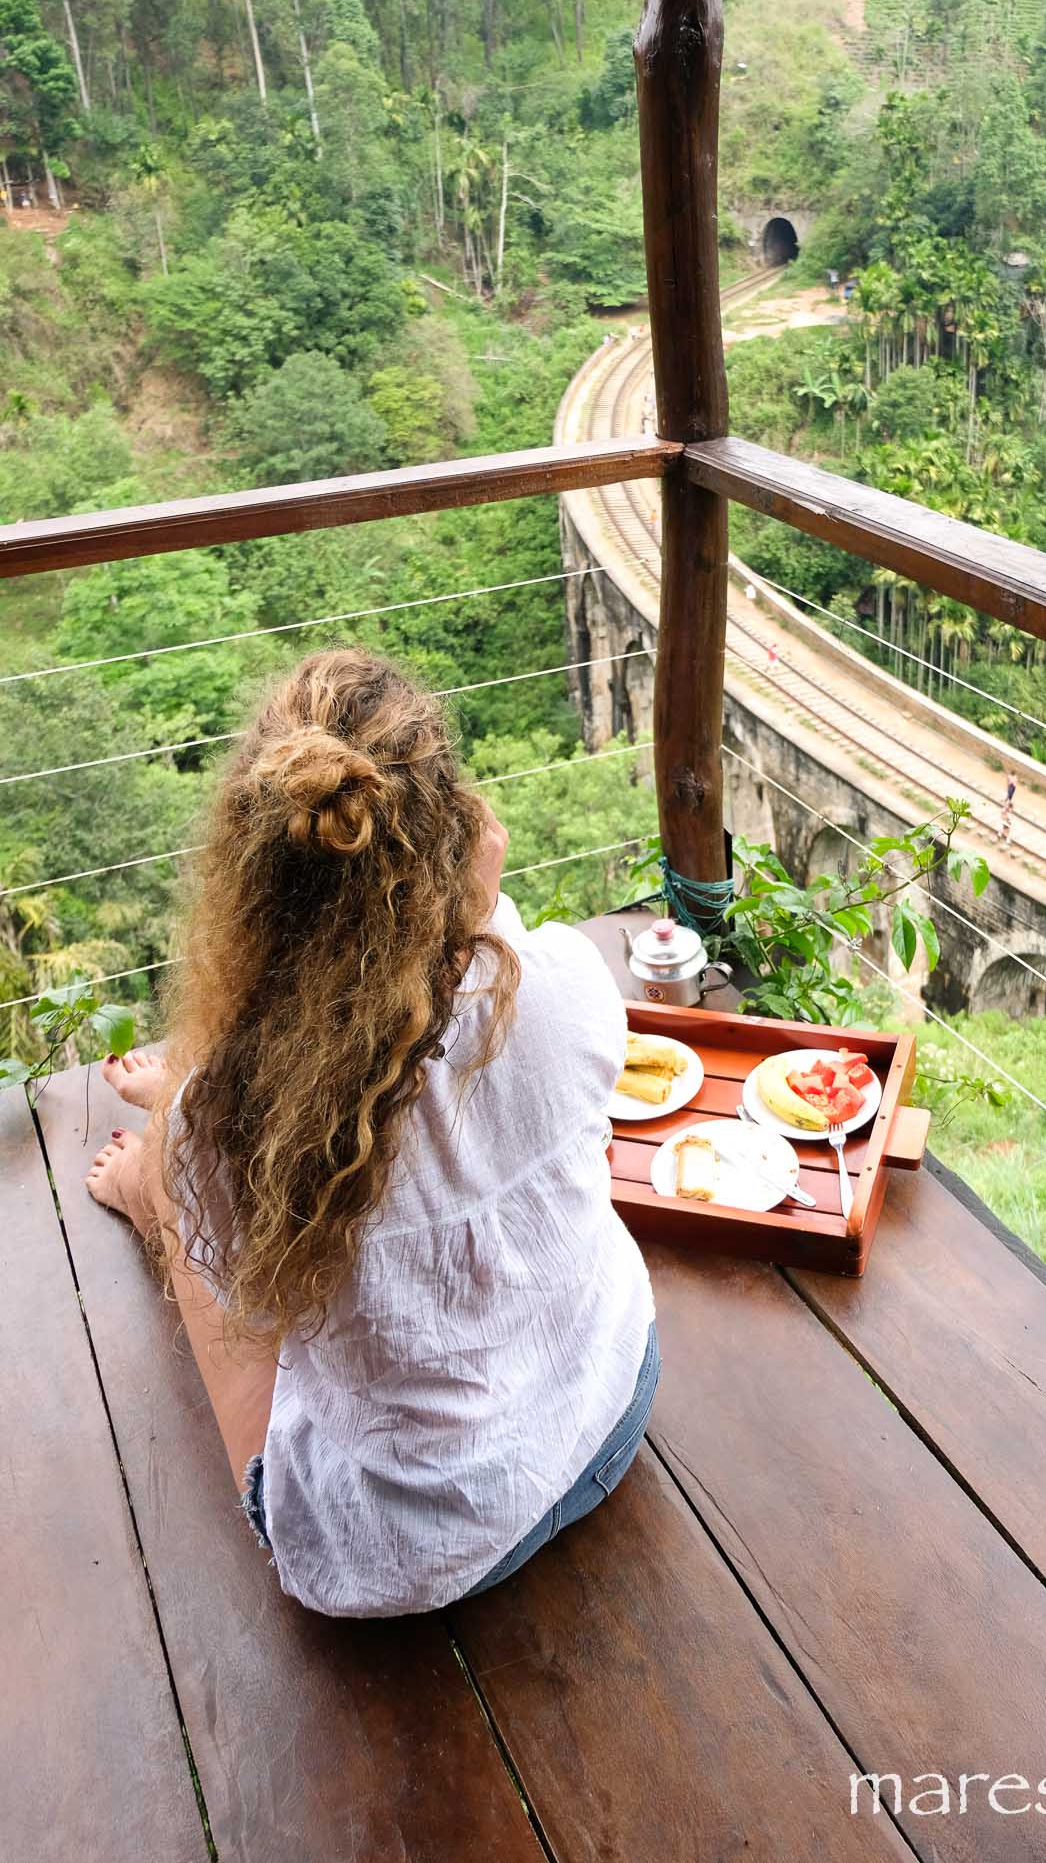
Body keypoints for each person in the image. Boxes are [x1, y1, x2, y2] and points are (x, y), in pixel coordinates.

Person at [86, 649, 658, 1617]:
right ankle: (173, 1143)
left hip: (405, 1551)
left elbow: (252, 1310)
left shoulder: (227, 1125)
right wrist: (475, 912)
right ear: (452, 837)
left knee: (192, 1200)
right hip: (607, 1401)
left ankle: (152, 1195)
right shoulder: (561, 985)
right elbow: (482, 1022)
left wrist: (182, 1163)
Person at [999, 772, 1017, 847]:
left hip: (1006, 820)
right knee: (1007, 829)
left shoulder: (1006, 810)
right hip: (1006, 820)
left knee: (1005, 828)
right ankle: (1005, 838)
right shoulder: (1007, 810)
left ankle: (1000, 835)